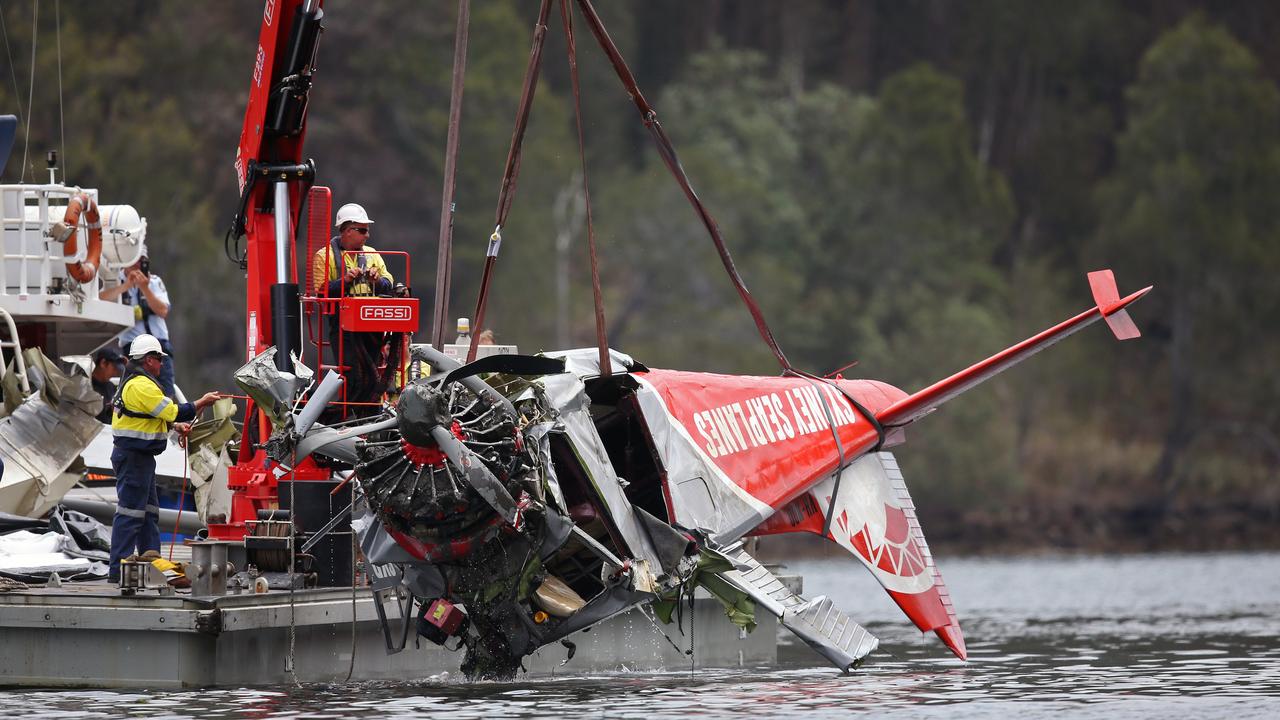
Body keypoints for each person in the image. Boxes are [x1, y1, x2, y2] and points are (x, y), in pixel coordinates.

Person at [108, 333, 219, 582]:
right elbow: (171, 410)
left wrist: (174, 427)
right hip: (134, 459)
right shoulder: (141, 385)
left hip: (140, 459)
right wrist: (201, 402)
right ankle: (118, 572)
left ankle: (153, 566)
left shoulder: (137, 383)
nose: (162, 364)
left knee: (147, 514)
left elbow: (148, 417)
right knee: (130, 514)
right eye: (159, 359)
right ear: (149, 360)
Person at [310, 203, 400, 414]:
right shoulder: (325, 256)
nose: (367, 235)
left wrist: (378, 281)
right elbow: (321, 292)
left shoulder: (373, 254)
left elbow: (389, 282)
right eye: (362, 230)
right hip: (343, 328)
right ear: (347, 230)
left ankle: (371, 418)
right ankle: (350, 418)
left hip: (372, 325)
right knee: (354, 375)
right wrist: (345, 281)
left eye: (367, 230)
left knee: (374, 374)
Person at [99, 254, 176, 398]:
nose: (137, 265)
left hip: (159, 346)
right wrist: (125, 286)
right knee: (137, 392)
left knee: (166, 393)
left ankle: (166, 418)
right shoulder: (115, 280)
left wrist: (145, 288)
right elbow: (99, 299)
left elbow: (163, 311)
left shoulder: (154, 281)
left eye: (141, 261)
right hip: (133, 348)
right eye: (133, 260)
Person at [90, 346, 127, 423]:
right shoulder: (87, 387)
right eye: (114, 368)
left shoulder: (111, 386)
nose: (116, 372)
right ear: (103, 363)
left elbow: (117, 411)